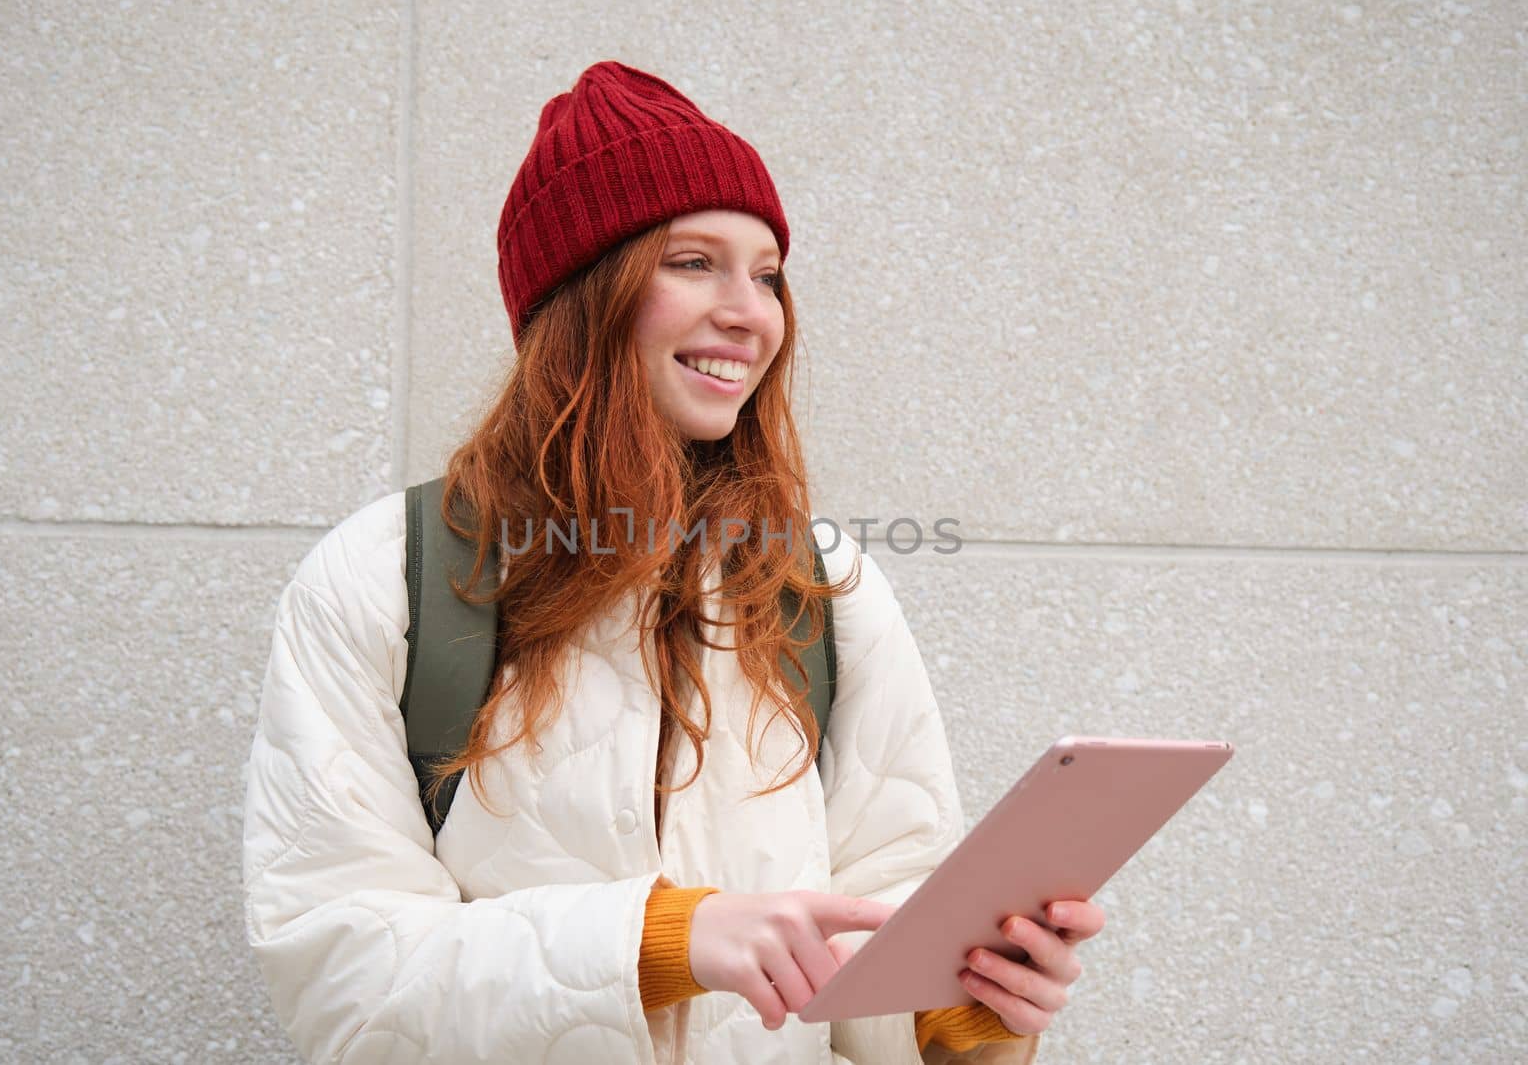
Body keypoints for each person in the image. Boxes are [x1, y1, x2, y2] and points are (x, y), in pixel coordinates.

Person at [241, 60, 1105, 1065]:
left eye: (768, 271)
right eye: (693, 262)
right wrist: (663, 939)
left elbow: (873, 942)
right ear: (581, 296)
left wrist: (969, 1010)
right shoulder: (386, 577)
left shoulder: (828, 590)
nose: (751, 313)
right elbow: (344, 983)